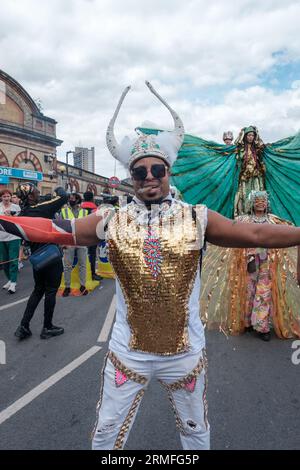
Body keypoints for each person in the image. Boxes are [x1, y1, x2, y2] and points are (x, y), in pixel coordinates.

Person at [1, 82, 300, 450]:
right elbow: (54, 231)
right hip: (128, 355)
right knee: (106, 436)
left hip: (185, 356)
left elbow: (254, 235)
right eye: (140, 172)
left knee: (196, 434)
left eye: (157, 168)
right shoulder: (110, 220)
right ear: (131, 177)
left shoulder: (197, 218)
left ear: (168, 170)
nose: (150, 177)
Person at [201, 190, 300, 341]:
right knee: (247, 291)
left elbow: (288, 232)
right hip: (247, 264)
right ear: (252, 203)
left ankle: (261, 327)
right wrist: (249, 258)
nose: (260, 203)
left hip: (267, 264)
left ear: (267, 203)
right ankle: (246, 322)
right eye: (257, 200)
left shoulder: (274, 221)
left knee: (264, 293)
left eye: (263, 200)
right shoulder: (243, 220)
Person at [14, 183, 68, 340]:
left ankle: (23, 326)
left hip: (37, 258)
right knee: (51, 291)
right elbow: (63, 196)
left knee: (38, 290)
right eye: (36, 191)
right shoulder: (42, 208)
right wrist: (57, 187)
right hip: (50, 256)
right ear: (30, 196)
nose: (39, 193)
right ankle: (47, 327)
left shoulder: (22, 213)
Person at [61, 193, 89, 296]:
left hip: (81, 241)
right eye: (69, 199)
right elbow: (61, 227)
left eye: (72, 198)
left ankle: (82, 285)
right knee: (67, 265)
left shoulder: (85, 212)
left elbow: (88, 227)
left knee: (83, 264)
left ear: (78, 200)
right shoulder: (64, 211)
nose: (70, 200)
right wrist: (62, 242)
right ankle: (67, 287)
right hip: (69, 241)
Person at [233, 126, 266, 216]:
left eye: (252, 135)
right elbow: (236, 145)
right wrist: (241, 133)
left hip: (256, 177)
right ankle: (245, 214)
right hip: (244, 177)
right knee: (244, 196)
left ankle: (257, 214)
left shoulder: (257, 149)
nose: (251, 137)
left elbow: (262, 149)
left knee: (257, 195)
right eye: (249, 135)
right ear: (245, 136)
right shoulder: (241, 149)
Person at [0, 189, 21, 293]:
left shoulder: (16, 208)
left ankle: (13, 283)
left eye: (8, 196)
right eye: (4, 197)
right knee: (4, 261)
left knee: (13, 260)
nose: (6, 198)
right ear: (1, 197)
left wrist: (11, 217)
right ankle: (9, 279)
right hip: (1, 238)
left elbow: (21, 222)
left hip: (13, 237)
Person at [81, 191, 102, 282]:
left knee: (81, 255)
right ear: (92, 198)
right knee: (92, 254)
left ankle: (82, 274)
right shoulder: (96, 209)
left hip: (80, 234)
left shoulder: (79, 208)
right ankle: (92, 273)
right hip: (92, 235)